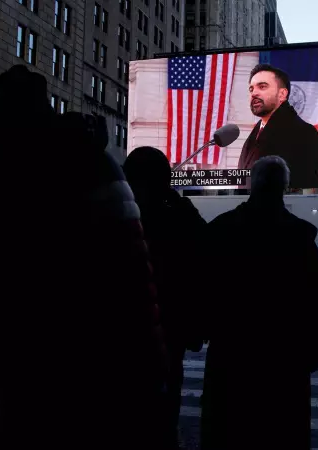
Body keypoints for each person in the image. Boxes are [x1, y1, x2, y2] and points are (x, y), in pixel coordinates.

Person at [0, 65, 167, 450]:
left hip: (45, 365)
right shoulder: (93, 163)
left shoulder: (13, 177)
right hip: (103, 361)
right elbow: (132, 276)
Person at [200, 156, 318, 450]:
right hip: (284, 360)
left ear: (249, 184)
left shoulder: (222, 230)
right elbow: (317, 299)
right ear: (285, 187)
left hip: (232, 355)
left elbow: (204, 289)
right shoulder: (300, 236)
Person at [123, 146, 207, 450]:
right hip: (171, 326)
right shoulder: (181, 216)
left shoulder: (121, 215)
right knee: (168, 394)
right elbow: (202, 261)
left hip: (129, 327)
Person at [237, 64, 318, 189]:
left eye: (262, 86)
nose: (254, 93)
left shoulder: (303, 133)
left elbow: (304, 186)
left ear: (282, 94)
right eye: (251, 89)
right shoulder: (256, 133)